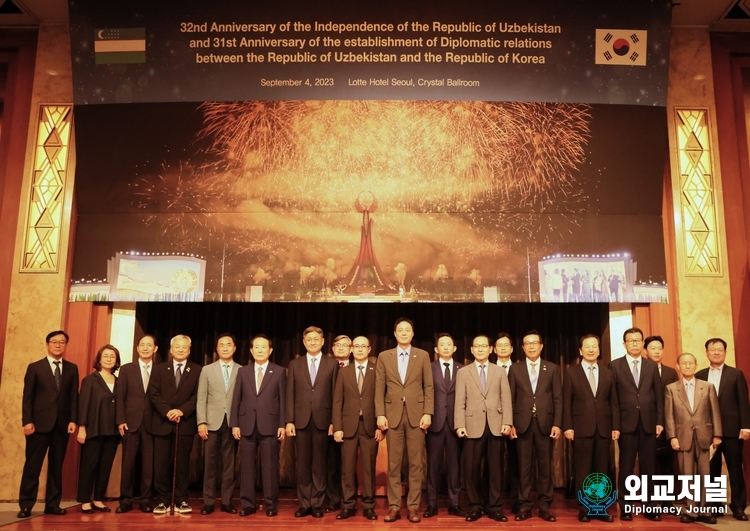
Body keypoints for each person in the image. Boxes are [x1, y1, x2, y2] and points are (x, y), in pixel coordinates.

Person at [375, 317, 434, 523]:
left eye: (407, 330)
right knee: (394, 464)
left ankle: (413, 507)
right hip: (392, 416)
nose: (404, 333)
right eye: (400, 330)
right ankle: (393, 507)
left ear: (412, 333)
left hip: (417, 416)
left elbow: (428, 386)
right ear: (395, 333)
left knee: (416, 464)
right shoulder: (384, 356)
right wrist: (380, 414)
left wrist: (428, 412)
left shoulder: (423, 355)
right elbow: (379, 388)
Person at [18, 330, 79, 518]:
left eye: (62, 342)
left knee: (56, 466)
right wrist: (27, 421)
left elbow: (73, 398)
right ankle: (26, 504)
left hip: (62, 425)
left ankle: (52, 504)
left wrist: (73, 420)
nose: (58, 345)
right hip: (38, 425)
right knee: (32, 465)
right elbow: (27, 397)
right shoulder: (35, 367)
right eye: (54, 342)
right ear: (47, 344)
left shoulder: (71, 368)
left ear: (66, 345)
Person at [455, 334, 513, 522]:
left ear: (490, 349)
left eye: (484, 346)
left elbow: (506, 399)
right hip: (472, 425)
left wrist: (507, 422)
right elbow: (459, 401)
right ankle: (474, 506)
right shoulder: (463, 372)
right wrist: (459, 425)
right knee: (471, 469)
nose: (480, 349)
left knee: (495, 468)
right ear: (471, 349)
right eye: (476, 346)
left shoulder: (499, 371)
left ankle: (494, 507)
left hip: (496, 425)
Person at [562, 334, 619, 522]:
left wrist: (615, 426)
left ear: (599, 349)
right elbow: (566, 402)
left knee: (602, 470)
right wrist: (568, 426)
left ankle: (600, 507)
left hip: (604, 428)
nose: (591, 349)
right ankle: (584, 508)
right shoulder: (572, 372)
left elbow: (614, 403)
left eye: (595, 346)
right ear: (580, 350)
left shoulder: (608, 373)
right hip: (581, 428)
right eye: (587, 346)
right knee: (584, 469)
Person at [609, 327, 663, 521]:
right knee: (626, 466)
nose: (634, 343)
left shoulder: (651, 366)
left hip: (649, 423)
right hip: (626, 425)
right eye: (631, 341)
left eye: (638, 340)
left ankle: (650, 506)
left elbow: (658, 396)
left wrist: (659, 421)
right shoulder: (614, 366)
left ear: (643, 344)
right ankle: (626, 506)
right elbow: (613, 400)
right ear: (624, 344)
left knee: (649, 467)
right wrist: (615, 425)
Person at [508, 330, 562, 522]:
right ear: (522, 347)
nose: (531, 346)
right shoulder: (515, 369)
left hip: (545, 424)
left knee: (545, 468)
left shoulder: (553, 368)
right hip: (522, 425)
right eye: (527, 343)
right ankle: (524, 506)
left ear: (541, 346)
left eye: (534, 343)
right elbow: (510, 398)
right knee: (524, 468)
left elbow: (558, 398)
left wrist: (557, 423)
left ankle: (545, 506)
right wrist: (510, 423)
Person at [231, 334, 286, 517]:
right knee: (246, 467)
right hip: (246, 424)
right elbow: (236, 399)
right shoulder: (243, 371)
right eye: (257, 347)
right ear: (251, 350)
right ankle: (247, 504)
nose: (260, 350)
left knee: (270, 467)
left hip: (270, 424)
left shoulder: (278, 371)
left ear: (270, 350)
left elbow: (283, 400)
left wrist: (282, 424)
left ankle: (271, 505)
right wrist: (235, 424)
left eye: (264, 347)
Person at [286, 326, 338, 518]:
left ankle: (317, 502)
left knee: (319, 464)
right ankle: (304, 502)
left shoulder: (331, 364)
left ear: (323, 341)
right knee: (303, 464)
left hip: (323, 420)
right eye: (310, 339)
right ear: (304, 342)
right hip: (300, 420)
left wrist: (334, 421)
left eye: (317, 339)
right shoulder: (294, 364)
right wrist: (289, 420)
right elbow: (290, 393)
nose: (313, 342)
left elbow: (335, 395)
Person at [695, 338, 750, 520]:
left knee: (735, 469)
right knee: (712, 471)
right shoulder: (700, 375)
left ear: (725, 352)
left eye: (720, 349)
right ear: (707, 353)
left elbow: (743, 402)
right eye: (713, 350)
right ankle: (715, 505)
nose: (716, 353)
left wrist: (746, 426)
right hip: (708, 432)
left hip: (732, 430)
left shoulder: (735, 374)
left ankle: (738, 506)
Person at [665, 352, 722, 524]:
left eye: (691, 363)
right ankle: (690, 511)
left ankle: (705, 510)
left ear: (696, 365)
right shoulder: (671, 388)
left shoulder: (708, 386)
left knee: (705, 474)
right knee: (686, 475)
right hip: (683, 437)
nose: (688, 366)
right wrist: (672, 436)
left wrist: (717, 434)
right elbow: (669, 416)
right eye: (684, 363)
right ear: (678, 366)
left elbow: (715, 412)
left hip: (705, 436)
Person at [149, 334, 201, 514]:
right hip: (162, 422)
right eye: (177, 347)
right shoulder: (159, 369)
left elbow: (197, 395)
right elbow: (153, 394)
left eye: (184, 347)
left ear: (189, 350)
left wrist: (182, 411)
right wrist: (167, 411)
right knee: (161, 464)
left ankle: (181, 500)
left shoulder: (197, 370)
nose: (180, 349)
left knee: (182, 464)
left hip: (184, 423)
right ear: (171, 350)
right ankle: (163, 500)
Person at [332, 336, 382, 520]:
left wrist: (380, 425)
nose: (360, 349)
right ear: (351, 349)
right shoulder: (344, 372)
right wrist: (337, 426)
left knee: (369, 468)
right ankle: (349, 505)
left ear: (369, 349)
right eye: (356, 346)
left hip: (370, 426)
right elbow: (337, 401)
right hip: (347, 427)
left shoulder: (376, 370)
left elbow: (381, 400)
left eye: (363, 346)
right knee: (347, 468)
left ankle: (369, 505)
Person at [197, 334, 240, 515]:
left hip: (232, 423)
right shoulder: (207, 370)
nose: (224, 348)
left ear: (234, 348)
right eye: (221, 345)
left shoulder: (242, 370)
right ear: (216, 348)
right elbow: (201, 398)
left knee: (229, 464)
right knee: (210, 464)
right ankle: (208, 501)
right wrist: (201, 421)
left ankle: (227, 501)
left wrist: (240, 423)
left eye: (228, 345)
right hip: (212, 422)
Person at [116, 335, 159, 513]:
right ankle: (125, 500)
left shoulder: (160, 370)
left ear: (155, 349)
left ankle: (145, 500)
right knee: (128, 463)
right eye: (142, 345)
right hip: (130, 422)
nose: (146, 348)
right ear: (137, 348)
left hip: (152, 423)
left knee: (148, 465)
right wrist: (120, 419)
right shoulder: (126, 369)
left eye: (149, 345)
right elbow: (120, 396)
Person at [76, 344, 121, 513]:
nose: (109, 359)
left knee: (105, 466)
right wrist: (82, 428)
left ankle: (98, 499)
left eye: (112, 356)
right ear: (99, 359)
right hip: (93, 430)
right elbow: (83, 405)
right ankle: (85, 500)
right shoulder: (90, 380)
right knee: (89, 466)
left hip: (112, 431)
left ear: (116, 360)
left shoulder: (119, 381)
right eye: (106, 356)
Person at [424, 333, 464, 518]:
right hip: (435, 423)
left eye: (449, 344)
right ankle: (431, 504)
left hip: (456, 424)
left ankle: (454, 503)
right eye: (442, 344)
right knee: (432, 465)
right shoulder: (428, 368)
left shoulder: (462, 369)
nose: (446, 347)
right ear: (436, 349)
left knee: (455, 466)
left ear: (455, 348)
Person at [644, 335, 678, 506]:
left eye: (659, 348)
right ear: (645, 351)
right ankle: (650, 499)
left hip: (667, 423)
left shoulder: (670, 372)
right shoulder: (641, 369)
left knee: (667, 465)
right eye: (653, 348)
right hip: (647, 423)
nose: (657, 351)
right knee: (649, 465)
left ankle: (666, 501)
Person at [494, 333, 520, 513]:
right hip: (490, 423)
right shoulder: (488, 369)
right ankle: (491, 501)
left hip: (515, 425)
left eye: (506, 345)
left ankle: (516, 501)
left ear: (511, 349)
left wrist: (512, 423)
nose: (503, 348)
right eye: (499, 345)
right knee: (492, 463)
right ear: (494, 349)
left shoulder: (519, 369)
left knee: (516, 463)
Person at [326, 334, 352, 513]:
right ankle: (334, 499)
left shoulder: (358, 367)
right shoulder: (326, 367)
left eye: (345, 345)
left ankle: (350, 499)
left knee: (350, 464)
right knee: (332, 464)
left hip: (353, 423)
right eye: (338, 345)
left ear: (351, 349)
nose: (341, 348)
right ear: (332, 348)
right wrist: (332, 422)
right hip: (329, 424)